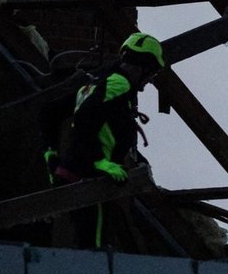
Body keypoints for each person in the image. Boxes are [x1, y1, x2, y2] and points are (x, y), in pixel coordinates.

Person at [42, 31, 164, 247]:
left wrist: (51, 155)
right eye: (152, 72)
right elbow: (85, 117)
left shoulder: (96, 82)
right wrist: (98, 160)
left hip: (74, 171)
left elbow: (50, 113)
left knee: (86, 240)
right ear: (143, 66)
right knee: (93, 247)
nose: (150, 80)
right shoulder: (119, 84)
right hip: (90, 176)